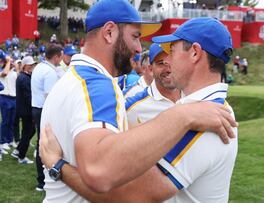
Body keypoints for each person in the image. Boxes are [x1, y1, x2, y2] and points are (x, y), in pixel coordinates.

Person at [39, 0, 236, 202]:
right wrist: (181, 115)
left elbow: (133, 195)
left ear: (195, 52)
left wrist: (57, 166)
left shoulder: (208, 117)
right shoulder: (98, 86)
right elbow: (100, 170)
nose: (139, 48)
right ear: (108, 32)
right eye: (135, 36)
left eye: (172, 50)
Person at [31, 43, 63, 191]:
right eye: (60, 56)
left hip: (36, 108)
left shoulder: (39, 67)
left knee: (41, 143)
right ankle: (43, 181)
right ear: (56, 57)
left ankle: (42, 180)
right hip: (44, 110)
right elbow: (49, 97)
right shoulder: (49, 72)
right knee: (45, 145)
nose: (61, 59)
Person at [11, 56, 37, 164]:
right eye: (29, 64)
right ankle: (21, 157)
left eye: (32, 64)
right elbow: (28, 97)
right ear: (25, 66)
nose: (31, 66)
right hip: (26, 110)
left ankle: (18, 150)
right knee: (27, 132)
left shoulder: (25, 76)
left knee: (31, 131)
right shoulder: (24, 78)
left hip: (24, 109)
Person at [0, 51, 18, 155]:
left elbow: (19, 76)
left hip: (13, 98)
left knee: (12, 121)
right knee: (5, 121)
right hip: (4, 97)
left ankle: (9, 140)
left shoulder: (14, 72)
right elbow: (5, 73)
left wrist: (14, 65)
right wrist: (8, 61)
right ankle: (2, 142)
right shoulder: (2, 70)